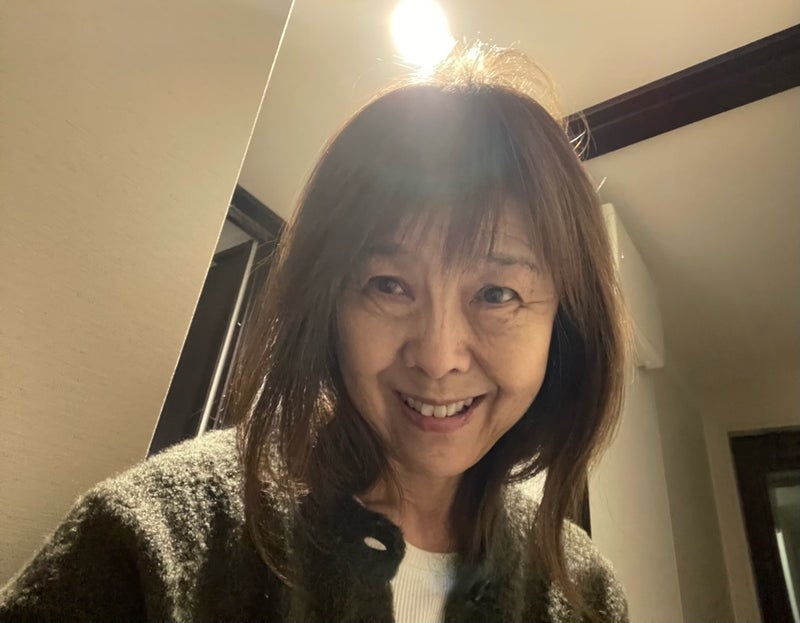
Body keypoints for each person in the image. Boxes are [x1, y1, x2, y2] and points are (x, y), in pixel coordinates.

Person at [0, 43, 628, 622]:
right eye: (388, 285)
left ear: (565, 323)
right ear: (328, 303)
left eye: (497, 295)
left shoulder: (585, 593)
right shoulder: (154, 543)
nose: (438, 357)